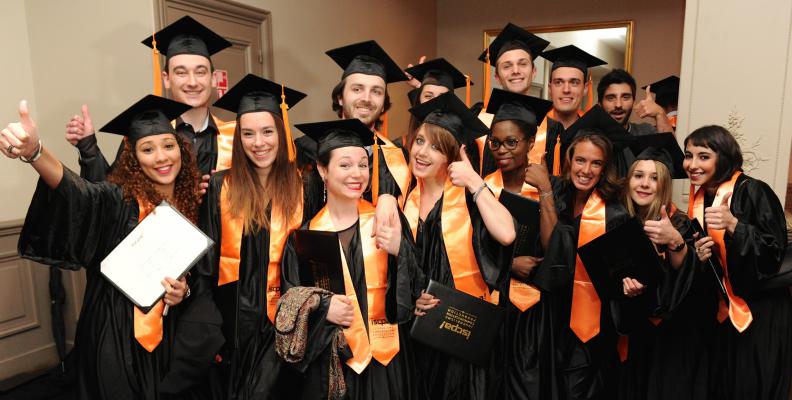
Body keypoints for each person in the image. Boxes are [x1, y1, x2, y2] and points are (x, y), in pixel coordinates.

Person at [3, 96, 224, 399]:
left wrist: (181, 291)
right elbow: (77, 192)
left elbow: (199, 277)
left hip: (168, 334)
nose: (161, 157)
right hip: (114, 327)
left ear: (182, 151)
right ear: (134, 157)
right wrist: (36, 154)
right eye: (148, 149)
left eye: (168, 146)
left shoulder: (192, 204)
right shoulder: (118, 200)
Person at [279, 118, 421, 400]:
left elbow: (417, 291)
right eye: (344, 165)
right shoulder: (305, 239)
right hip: (334, 366)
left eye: (362, 165)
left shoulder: (387, 223)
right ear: (322, 170)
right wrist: (321, 307)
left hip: (388, 362)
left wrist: (400, 251)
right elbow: (289, 302)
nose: (356, 174)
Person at [197, 74, 308, 399]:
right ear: (238, 139)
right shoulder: (220, 186)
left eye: (267, 131)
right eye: (248, 133)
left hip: (287, 320)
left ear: (281, 132)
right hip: (234, 324)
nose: (258, 142)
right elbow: (206, 264)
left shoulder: (305, 186)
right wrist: (210, 327)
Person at [406, 92, 515, 400]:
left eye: (437, 147)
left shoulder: (468, 197)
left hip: (460, 332)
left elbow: (507, 235)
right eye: (420, 141)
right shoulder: (407, 200)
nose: (423, 153)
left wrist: (473, 181)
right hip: (420, 334)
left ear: (452, 156)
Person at [686, 125, 791, 400]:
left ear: (723, 157)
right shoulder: (698, 199)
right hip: (721, 312)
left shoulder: (754, 190)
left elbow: (775, 251)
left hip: (761, 312)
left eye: (703, 156)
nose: (693, 164)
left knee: (753, 386)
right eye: (689, 155)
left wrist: (735, 225)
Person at [65, 15, 235, 181]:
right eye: (181, 72)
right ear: (167, 79)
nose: (192, 82)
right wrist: (89, 148)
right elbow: (110, 198)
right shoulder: (142, 133)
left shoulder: (235, 138)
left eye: (200, 72)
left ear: (213, 78)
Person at [481, 88, 567, 400]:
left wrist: (544, 189)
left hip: (534, 310)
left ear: (530, 143)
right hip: (492, 302)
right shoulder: (482, 188)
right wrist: (509, 265)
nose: (502, 150)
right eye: (495, 142)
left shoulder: (553, 186)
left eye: (511, 142)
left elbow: (556, 247)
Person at [616, 134, 712, 400]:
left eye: (654, 177)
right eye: (639, 176)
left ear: (664, 185)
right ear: (628, 180)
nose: (645, 184)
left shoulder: (683, 225)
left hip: (672, 341)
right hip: (633, 336)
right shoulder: (617, 222)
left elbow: (693, 288)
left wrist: (675, 243)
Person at [546, 130, 631, 399]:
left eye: (596, 163)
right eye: (580, 160)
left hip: (591, 326)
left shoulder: (614, 215)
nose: (586, 170)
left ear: (605, 169)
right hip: (551, 317)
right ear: (569, 160)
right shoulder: (559, 200)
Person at [326, 40, 411, 201]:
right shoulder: (309, 152)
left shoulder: (396, 160)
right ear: (340, 98)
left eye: (376, 92)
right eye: (357, 89)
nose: (366, 98)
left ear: (384, 105)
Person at [473, 22, 551, 177]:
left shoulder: (551, 127)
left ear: (534, 71)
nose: (516, 71)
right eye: (507, 66)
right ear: (497, 76)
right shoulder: (478, 119)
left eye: (522, 64)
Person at [538, 45, 607, 176]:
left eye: (574, 82)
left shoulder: (597, 134)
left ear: (586, 88)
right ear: (550, 88)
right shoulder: (534, 129)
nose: (566, 89)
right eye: (559, 82)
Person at [398, 57, 471, 158]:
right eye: (428, 96)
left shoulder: (464, 148)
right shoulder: (399, 148)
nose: (435, 102)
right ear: (419, 100)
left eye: (443, 97)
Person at [597, 69, 673, 135]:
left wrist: (660, 113)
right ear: (600, 103)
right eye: (611, 98)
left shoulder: (646, 132)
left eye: (625, 97)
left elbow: (671, 150)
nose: (618, 104)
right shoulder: (590, 138)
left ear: (633, 101)